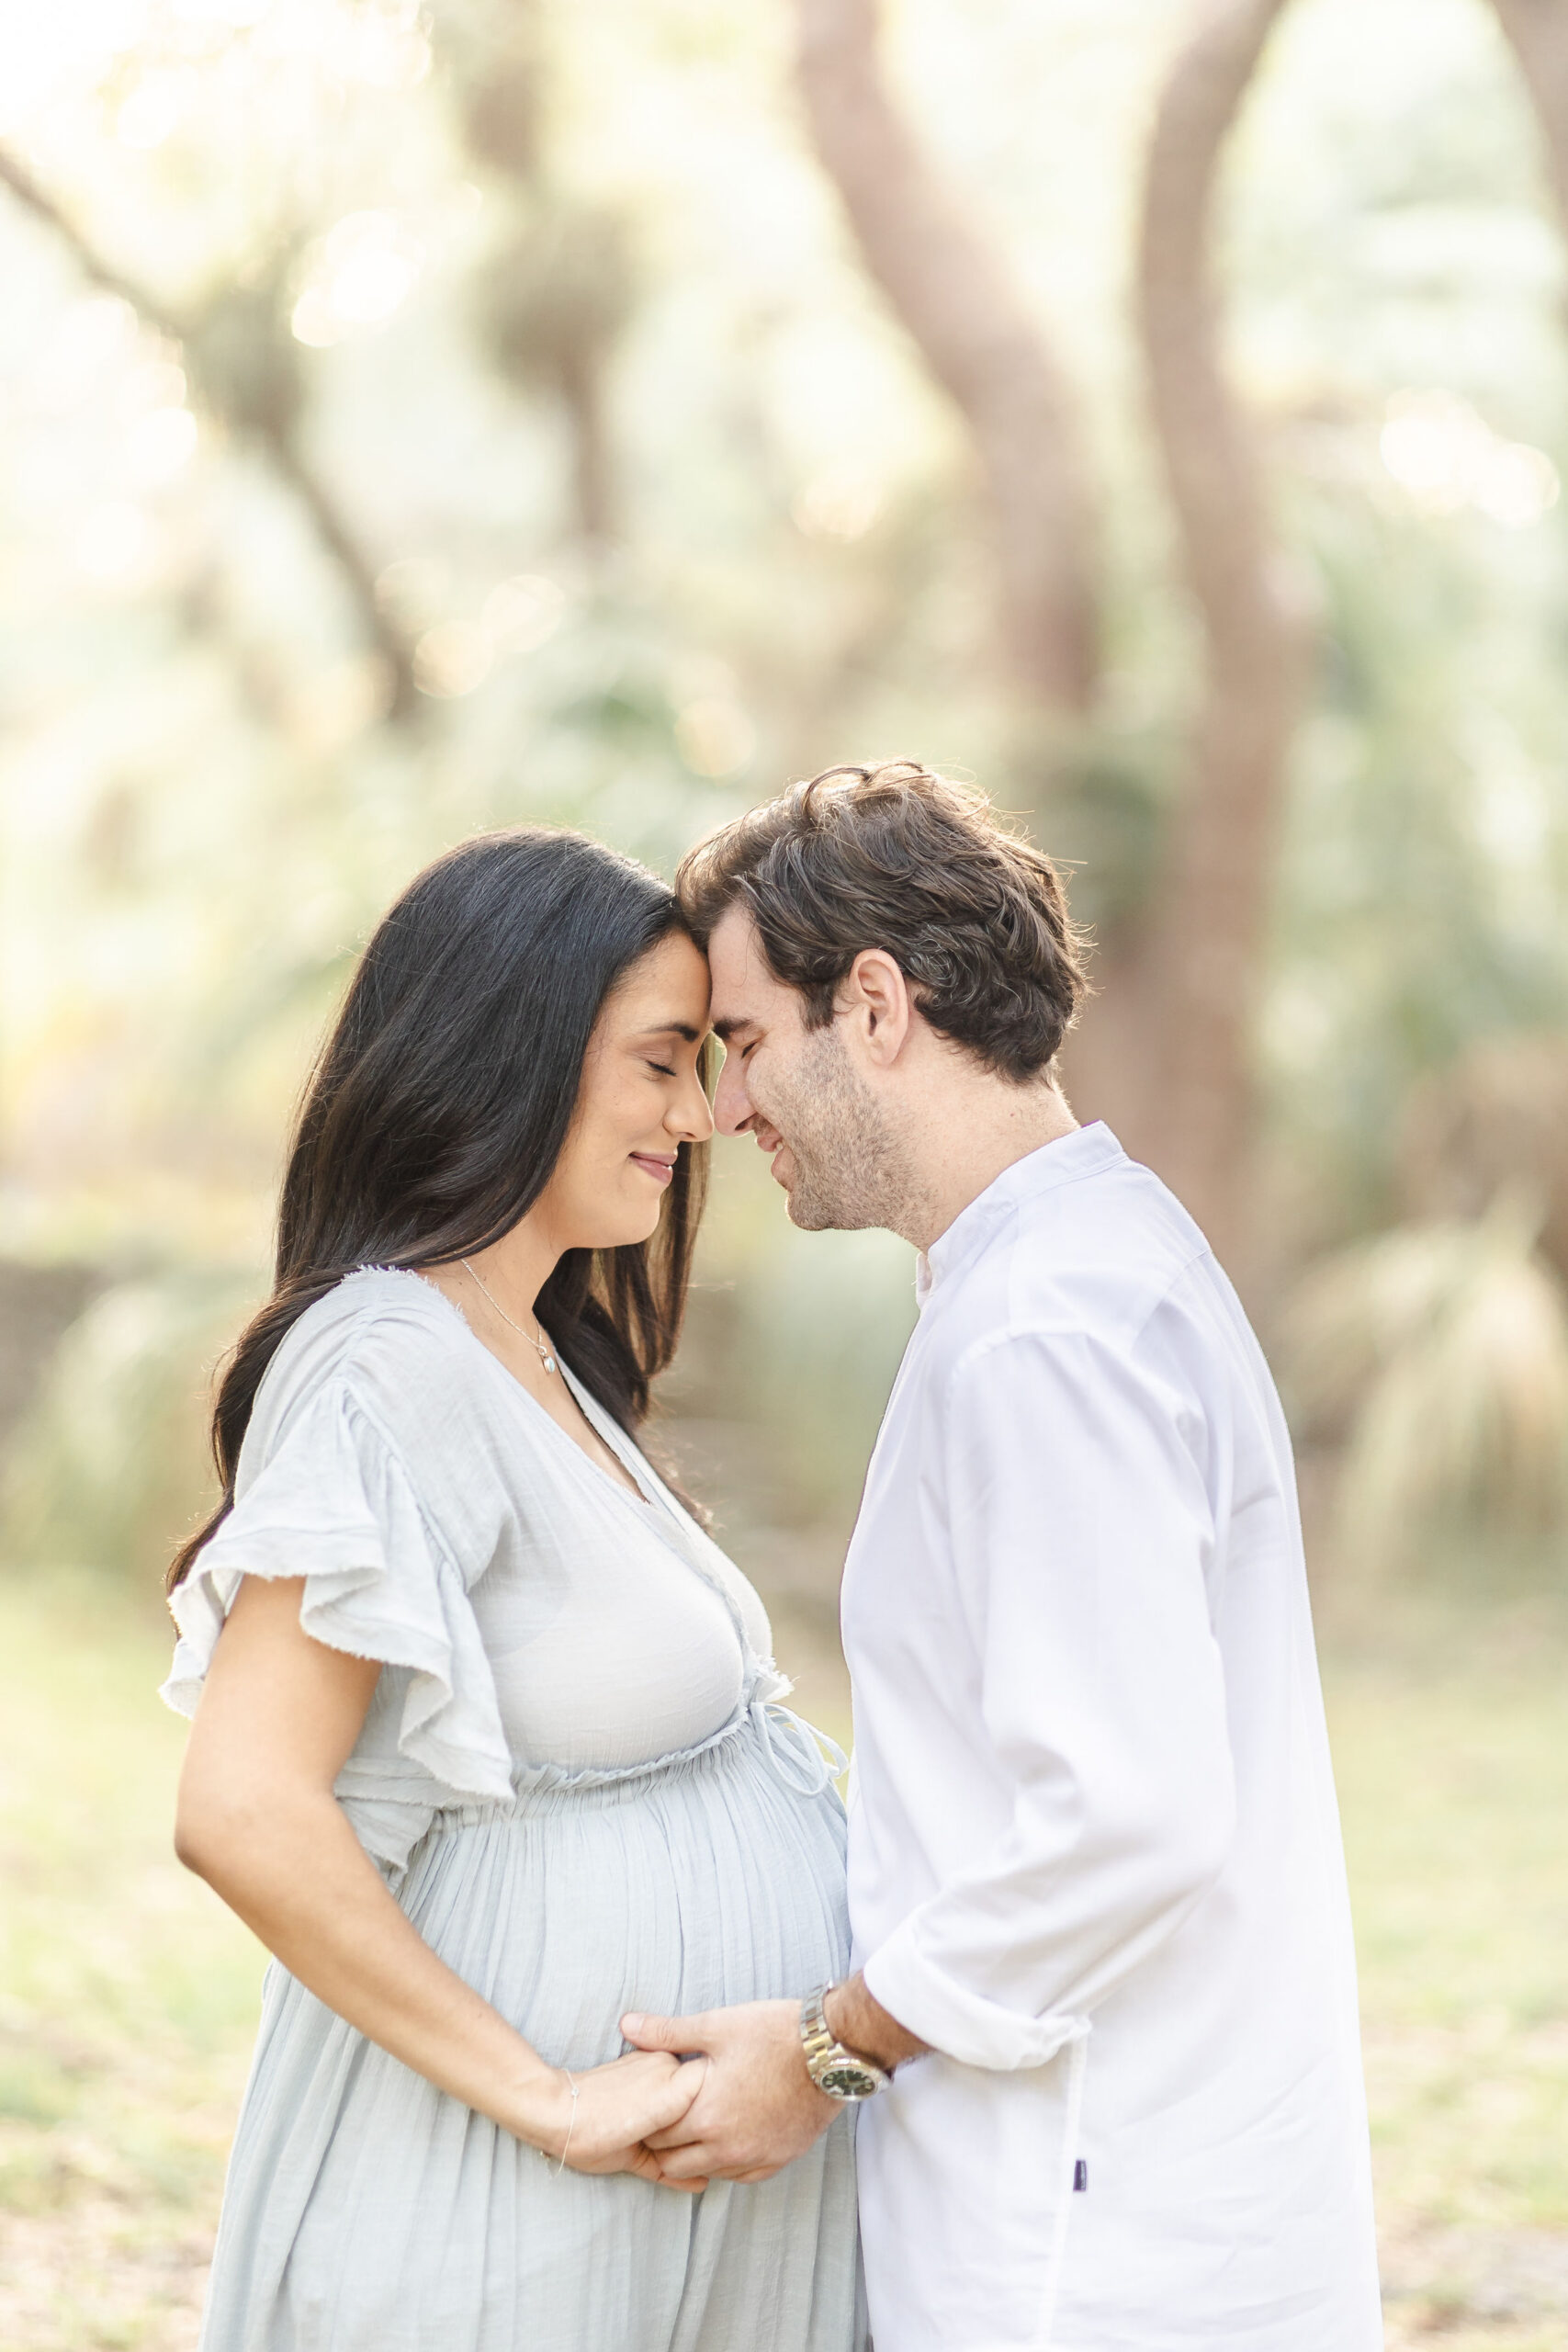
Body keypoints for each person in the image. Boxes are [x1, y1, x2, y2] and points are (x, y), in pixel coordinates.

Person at [624, 762, 1383, 2350]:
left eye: (749, 1042)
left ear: (880, 1005)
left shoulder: (1045, 1333)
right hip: (1129, 2189)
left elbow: (1128, 1816)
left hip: (1092, 2238)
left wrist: (826, 2053)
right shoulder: (1083, 1263)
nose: (727, 1110)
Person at [162, 828, 863, 2352]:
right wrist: (548, 2098)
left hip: (640, 2220)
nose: (701, 1113)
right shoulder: (386, 1360)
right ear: (514, 1052)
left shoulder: (534, 1344)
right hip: (506, 2211)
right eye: (663, 1061)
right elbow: (241, 1805)